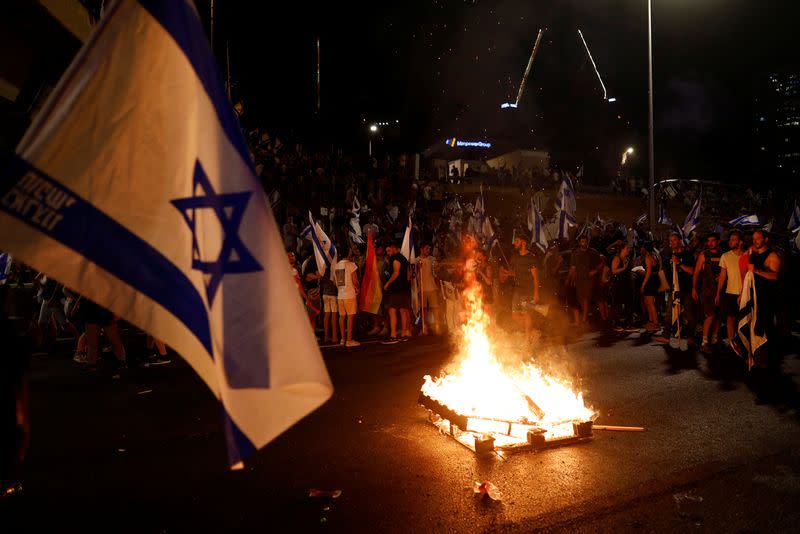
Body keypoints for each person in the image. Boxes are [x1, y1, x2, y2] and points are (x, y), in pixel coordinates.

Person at [747, 229, 781, 366]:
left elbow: (775, 276)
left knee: (765, 325)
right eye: (753, 238)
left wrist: (757, 271)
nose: (755, 241)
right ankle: (755, 353)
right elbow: (749, 273)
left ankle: (767, 358)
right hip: (754, 295)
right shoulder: (754, 254)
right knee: (753, 324)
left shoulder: (772, 256)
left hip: (767, 297)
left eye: (758, 238)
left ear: (766, 239)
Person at [500, 233, 540, 344]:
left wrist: (536, 293)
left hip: (528, 291)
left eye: (517, 241)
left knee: (527, 314)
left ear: (523, 242)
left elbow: (535, 277)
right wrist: (508, 274)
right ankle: (532, 331)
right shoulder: (515, 257)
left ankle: (527, 339)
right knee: (515, 315)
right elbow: (516, 273)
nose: (514, 243)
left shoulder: (531, 258)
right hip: (517, 291)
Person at [662, 233, 695, 349]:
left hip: (686, 288)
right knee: (669, 313)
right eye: (670, 241)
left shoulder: (687, 255)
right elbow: (667, 272)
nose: (672, 243)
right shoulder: (669, 255)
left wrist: (679, 263)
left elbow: (692, 271)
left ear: (680, 241)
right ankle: (666, 336)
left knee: (690, 314)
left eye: (674, 240)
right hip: (674, 289)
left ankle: (691, 337)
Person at [716, 231, 746, 357]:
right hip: (730, 293)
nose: (730, 242)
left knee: (744, 319)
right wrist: (718, 293)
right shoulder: (725, 256)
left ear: (740, 242)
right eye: (730, 239)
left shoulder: (746, 255)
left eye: (734, 239)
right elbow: (722, 276)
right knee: (730, 318)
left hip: (744, 294)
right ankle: (731, 342)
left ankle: (743, 342)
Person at [693, 233, 723, 354]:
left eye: (713, 240)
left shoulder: (723, 255)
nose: (710, 243)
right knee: (710, 315)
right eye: (708, 241)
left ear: (718, 242)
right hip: (708, 290)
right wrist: (694, 289)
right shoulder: (703, 255)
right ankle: (704, 342)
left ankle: (715, 339)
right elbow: (696, 273)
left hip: (721, 290)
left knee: (719, 315)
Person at [568, 235, 603, 325]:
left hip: (589, 279)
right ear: (579, 243)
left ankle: (584, 318)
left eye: (585, 241)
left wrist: (594, 271)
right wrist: (571, 279)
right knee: (580, 298)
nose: (584, 243)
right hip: (579, 279)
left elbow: (601, 263)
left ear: (587, 242)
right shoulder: (575, 253)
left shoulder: (593, 252)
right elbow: (573, 267)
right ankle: (585, 316)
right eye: (582, 241)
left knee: (585, 298)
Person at [382, 241, 412, 343]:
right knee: (403, 310)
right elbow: (409, 275)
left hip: (397, 289)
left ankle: (393, 334)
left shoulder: (395, 259)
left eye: (389, 250)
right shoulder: (404, 259)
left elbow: (396, 273)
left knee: (392, 310)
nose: (388, 253)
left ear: (394, 248)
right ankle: (404, 334)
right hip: (405, 288)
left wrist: (387, 284)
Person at [334, 248, 360, 347]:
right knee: (350, 317)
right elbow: (355, 280)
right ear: (348, 253)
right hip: (349, 294)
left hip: (340, 295)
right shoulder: (351, 265)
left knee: (342, 317)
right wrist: (358, 288)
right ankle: (349, 340)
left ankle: (343, 339)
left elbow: (335, 282)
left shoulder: (336, 266)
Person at [415, 243, 440, 334]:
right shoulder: (416, 260)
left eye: (429, 249)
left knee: (435, 308)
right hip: (422, 289)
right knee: (423, 309)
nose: (428, 251)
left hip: (432, 288)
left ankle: (437, 326)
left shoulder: (432, 259)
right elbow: (414, 274)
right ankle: (424, 327)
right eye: (426, 249)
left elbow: (436, 272)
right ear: (421, 249)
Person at [639, 242, 660, 332]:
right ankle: (651, 321)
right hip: (654, 280)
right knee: (648, 301)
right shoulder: (655, 256)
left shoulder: (648, 258)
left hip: (650, 281)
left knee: (650, 303)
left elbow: (648, 272)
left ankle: (655, 323)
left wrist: (643, 284)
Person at [610, 243, 633, 327]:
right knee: (617, 303)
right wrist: (624, 268)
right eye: (627, 248)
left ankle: (627, 321)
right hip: (618, 284)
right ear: (622, 249)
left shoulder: (626, 258)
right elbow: (613, 271)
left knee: (628, 302)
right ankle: (616, 322)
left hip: (626, 283)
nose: (628, 250)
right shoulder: (617, 258)